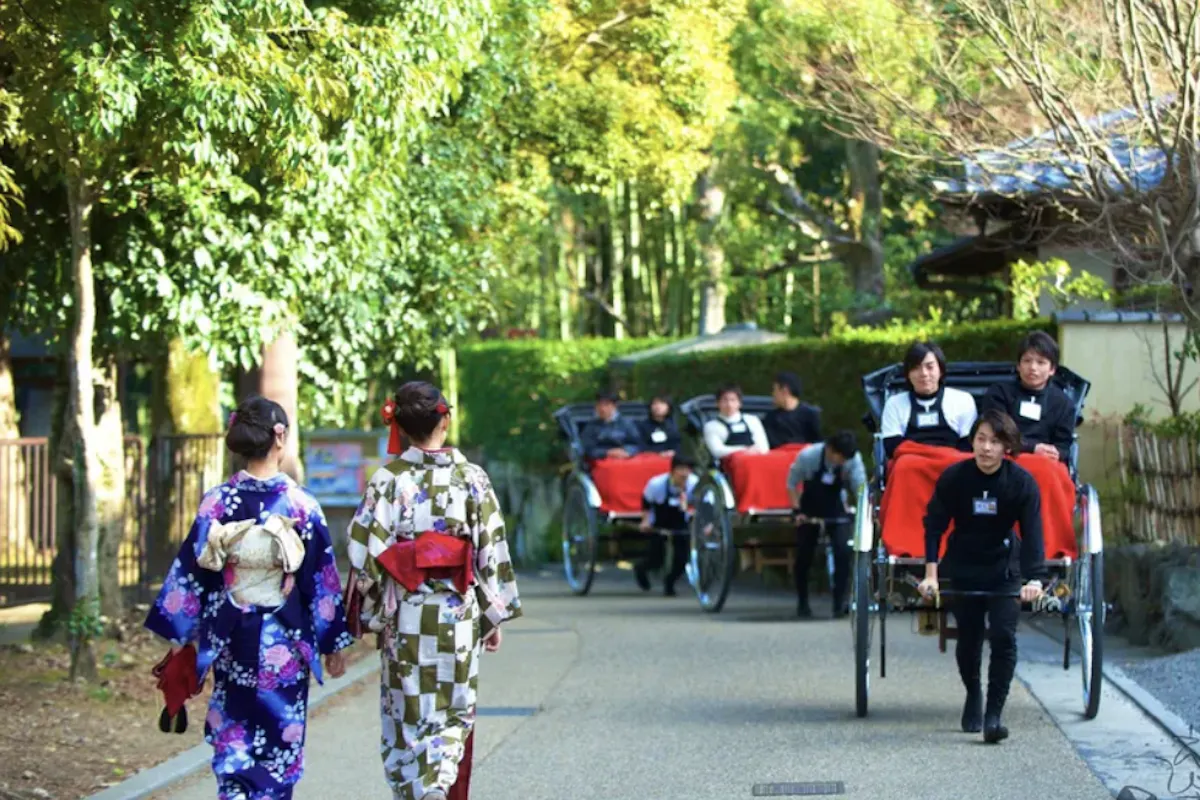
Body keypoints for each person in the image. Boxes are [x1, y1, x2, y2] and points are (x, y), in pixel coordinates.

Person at [144, 396, 353, 800]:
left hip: (231, 634)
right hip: (284, 640)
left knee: (234, 734)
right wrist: (332, 643)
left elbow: (192, 572)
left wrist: (180, 634)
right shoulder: (301, 505)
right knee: (280, 740)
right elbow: (320, 581)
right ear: (279, 437)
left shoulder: (218, 501)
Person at [347, 381, 522, 800]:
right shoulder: (472, 478)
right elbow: (491, 550)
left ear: (402, 427)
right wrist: (491, 613)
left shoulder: (386, 481)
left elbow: (362, 557)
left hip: (406, 615)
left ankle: (419, 788)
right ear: (445, 419)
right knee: (451, 710)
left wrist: (367, 615)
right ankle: (439, 783)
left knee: (407, 712)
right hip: (457, 613)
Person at [917, 408, 1046, 744]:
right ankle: (973, 693)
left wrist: (1034, 579)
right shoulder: (954, 478)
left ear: (1007, 447)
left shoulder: (1021, 482)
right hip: (963, 563)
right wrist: (931, 575)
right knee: (970, 636)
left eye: (995, 441)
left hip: (1004, 565)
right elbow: (934, 526)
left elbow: (1033, 534)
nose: (987, 448)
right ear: (972, 442)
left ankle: (993, 716)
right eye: (981, 439)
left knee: (1004, 636)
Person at [786, 431, 867, 619]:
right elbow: (791, 483)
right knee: (804, 554)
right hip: (809, 506)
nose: (843, 461)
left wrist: (863, 511)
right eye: (841, 457)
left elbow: (860, 487)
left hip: (836, 507)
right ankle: (803, 602)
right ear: (830, 449)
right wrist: (798, 511)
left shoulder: (852, 459)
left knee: (842, 551)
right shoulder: (809, 456)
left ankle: (840, 603)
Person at [979, 330, 1074, 462]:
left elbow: (1064, 446)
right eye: (1027, 361)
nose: (1033, 367)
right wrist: (1033, 448)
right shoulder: (999, 393)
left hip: (1046, 462)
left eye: (1041, 362)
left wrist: (1056, 453)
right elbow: (997, 432)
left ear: (1052, 369)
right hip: (1005, 456)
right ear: (1018, 365)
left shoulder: (1063, 403)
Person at [879, 341, 978, 459]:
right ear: (908, 374)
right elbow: (892, 446)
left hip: (953, 464)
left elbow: (968, 444)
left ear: (941, 370)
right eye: (916, 368)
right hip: (911, 465)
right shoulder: (894, 404)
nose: (924, 374)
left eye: (930, 367)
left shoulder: (962, 400)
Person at [634, 453, 699, 596]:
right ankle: (641, 569)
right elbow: (646, 502)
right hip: (661, 520)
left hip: (682, 522)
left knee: (681, 558)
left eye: (687, 470)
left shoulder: (694, 484)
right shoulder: (656, 484)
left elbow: (704, 505)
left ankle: (670, 582)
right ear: (672, 470)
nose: (684, 473)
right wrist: (645, 521)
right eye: (681, 469)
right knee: (656, 558)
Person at [702, 383, 770, 461]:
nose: (729, 405)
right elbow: (717, 451)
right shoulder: (711, 426)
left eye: (733, 400)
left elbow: (764, 448)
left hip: (755, 464)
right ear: (717, 403)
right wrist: (746, 450)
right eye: (725, 400)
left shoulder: (752, 420)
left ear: (739, 403)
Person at [763, 371, 822, 449]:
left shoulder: (810, 415)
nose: (773, 394)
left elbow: (819, 445)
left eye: (775, 390)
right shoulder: (771, 418)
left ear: (785, 390)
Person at [580, 390, 643, 461]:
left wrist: (627, 451)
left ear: (614, 406)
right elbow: (587, 449)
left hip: (625, 461)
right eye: (599, 405)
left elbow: (638, 444)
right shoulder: (591, 426)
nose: (602, 408)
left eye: (606, 405)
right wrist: (607, 452)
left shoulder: (626, 424)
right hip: (601, 462)